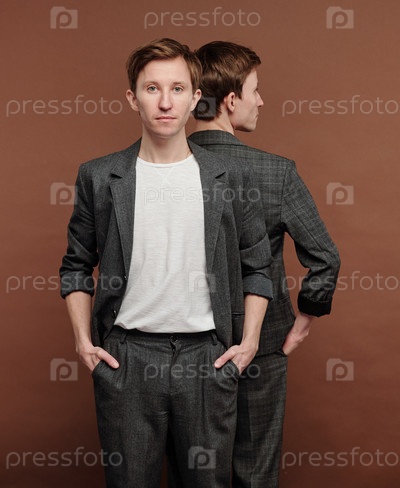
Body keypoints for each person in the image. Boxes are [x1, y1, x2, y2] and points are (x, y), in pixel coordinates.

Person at [59, 38, 273, 488]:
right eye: (152, 88)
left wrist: (249, 342)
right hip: (126, 359)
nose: (165, 102)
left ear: (196, 98)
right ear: (132, 97)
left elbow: (258, 266)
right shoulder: (99, 176)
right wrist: (83, 343)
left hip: (208, 359)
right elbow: (76, 266)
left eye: (177, 89)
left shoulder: (231, 176)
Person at [183, 41, 341, 487]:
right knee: (255, 470)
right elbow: (325, 258)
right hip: (264, 346)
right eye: (255, 90)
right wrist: (303, 321)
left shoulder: (163, 169)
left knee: (194, 470)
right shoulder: (276, 172)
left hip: (182, 348)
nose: (261, 101)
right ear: (231, 100)